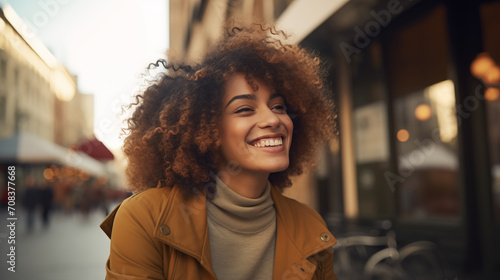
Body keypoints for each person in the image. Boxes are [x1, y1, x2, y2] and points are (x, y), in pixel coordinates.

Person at [101, 22, 338, 280]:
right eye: (244, 109)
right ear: (205, 129)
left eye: (279, 107)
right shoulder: (143, 219)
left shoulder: (311, 226)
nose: (273, 120)